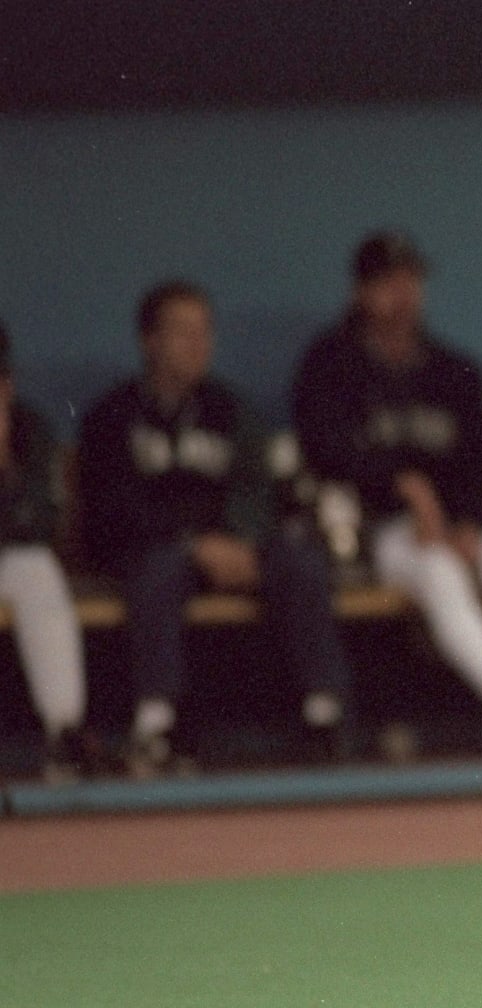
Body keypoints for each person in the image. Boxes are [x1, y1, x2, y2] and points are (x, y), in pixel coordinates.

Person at [290, 232, 482, 760]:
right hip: (380, 528)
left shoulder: (451, 369)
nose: (402, 295)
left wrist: (467, 520)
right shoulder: (330, 364)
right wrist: (402, 485)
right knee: (439, 573)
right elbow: (324, 450)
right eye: (388, 283)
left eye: (411, 282)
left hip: (455, 523)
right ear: (362, 291)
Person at [77, 282, 353, 776]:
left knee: (300, 558)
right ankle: (155, 723)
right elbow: (112, 508)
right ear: (149, 341)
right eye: (182, 332)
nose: (197, 344)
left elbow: (258, 490)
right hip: (154, 551)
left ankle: (324, 715)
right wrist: (193, 542)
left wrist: (240, 539)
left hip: (229, 548)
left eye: (204, 332)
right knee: (159, 568)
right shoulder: (111, 416)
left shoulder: (231, 411)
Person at [0, 320, 102, 781]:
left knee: (37, 570)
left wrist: (4, 462)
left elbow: (38, 524)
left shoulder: (27, 429)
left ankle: (64, 730)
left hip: (9, 555)